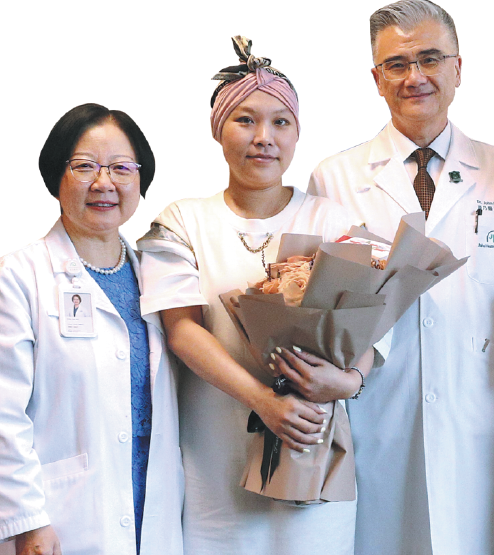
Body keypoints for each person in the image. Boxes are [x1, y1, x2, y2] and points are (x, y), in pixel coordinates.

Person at [137, 36, 374, 555]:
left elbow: (368, 329)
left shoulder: (331, 221)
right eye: (245, 120)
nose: (263, 138)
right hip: (214, 463)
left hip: (312, 452)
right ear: (218, 129)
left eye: (280, 122)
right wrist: (264, 402)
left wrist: (347, 381)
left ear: (297, 134)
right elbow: (183, 330)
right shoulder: (183, 221)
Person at [308, 1, 494, 554]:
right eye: (397, 64)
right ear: (376, 79)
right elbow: (317, 308)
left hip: (476, 406)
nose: (415, 77)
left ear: (458, 68)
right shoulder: (334, 178)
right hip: (376, 414)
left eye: (430, 59)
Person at [0, 104, 183, 555]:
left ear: (141, 179)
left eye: (121, 168)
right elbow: (4, 414)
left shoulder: (158, 275)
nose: (104, 183)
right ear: (56, 176)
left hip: (154, 509)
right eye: (84, 167)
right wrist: (28, 521)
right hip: (63, 520)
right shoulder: (19, 277)